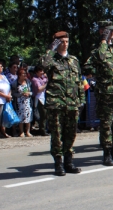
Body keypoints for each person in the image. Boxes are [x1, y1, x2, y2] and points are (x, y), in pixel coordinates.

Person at [38, 31, 86, 176]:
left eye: (66, 41)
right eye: (61, 42)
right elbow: (41, 65)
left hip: (72, 103)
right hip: (56, 103)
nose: (65, 44)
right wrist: (50, 49)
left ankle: (68, 162)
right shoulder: (51, 59)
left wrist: (81, 100)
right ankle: (58, 164)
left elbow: (79, 81)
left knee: (71, 134)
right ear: (56, 43)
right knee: (57, 135)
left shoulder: (73, 60)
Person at [84, 21, 113, 166]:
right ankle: (107, 154)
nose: (112, 33)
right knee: (106, 125)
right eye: (108, 31)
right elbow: (93, 64)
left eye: (112, 30)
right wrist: (103, 41)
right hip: (106, 94)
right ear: (102, 31)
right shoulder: (97, 50)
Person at [12, 68, 33, 137]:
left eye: (25, 73)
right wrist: (21, 94)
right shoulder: (15, 83)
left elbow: (32, 92)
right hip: (19, 103)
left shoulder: (28, 82)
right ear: (19, 75)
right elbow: (13, 93)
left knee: (28, 117)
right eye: (23, 74)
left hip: (27, 102)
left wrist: (29, 93)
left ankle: (27, 131)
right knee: (20, 117)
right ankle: (21, 132)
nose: (24, 75)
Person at [31, 66, 49, 136]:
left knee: (46, 114)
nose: (42, 72)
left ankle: (45, 128)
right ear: (36, 72)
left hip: (44, 97)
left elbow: (46, 80)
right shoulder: (35, 79)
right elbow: (39, 89)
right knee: (42, 114)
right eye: (40, 71)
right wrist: (46, 84)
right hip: (38, 98)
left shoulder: (43, 78)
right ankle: (42, 130)